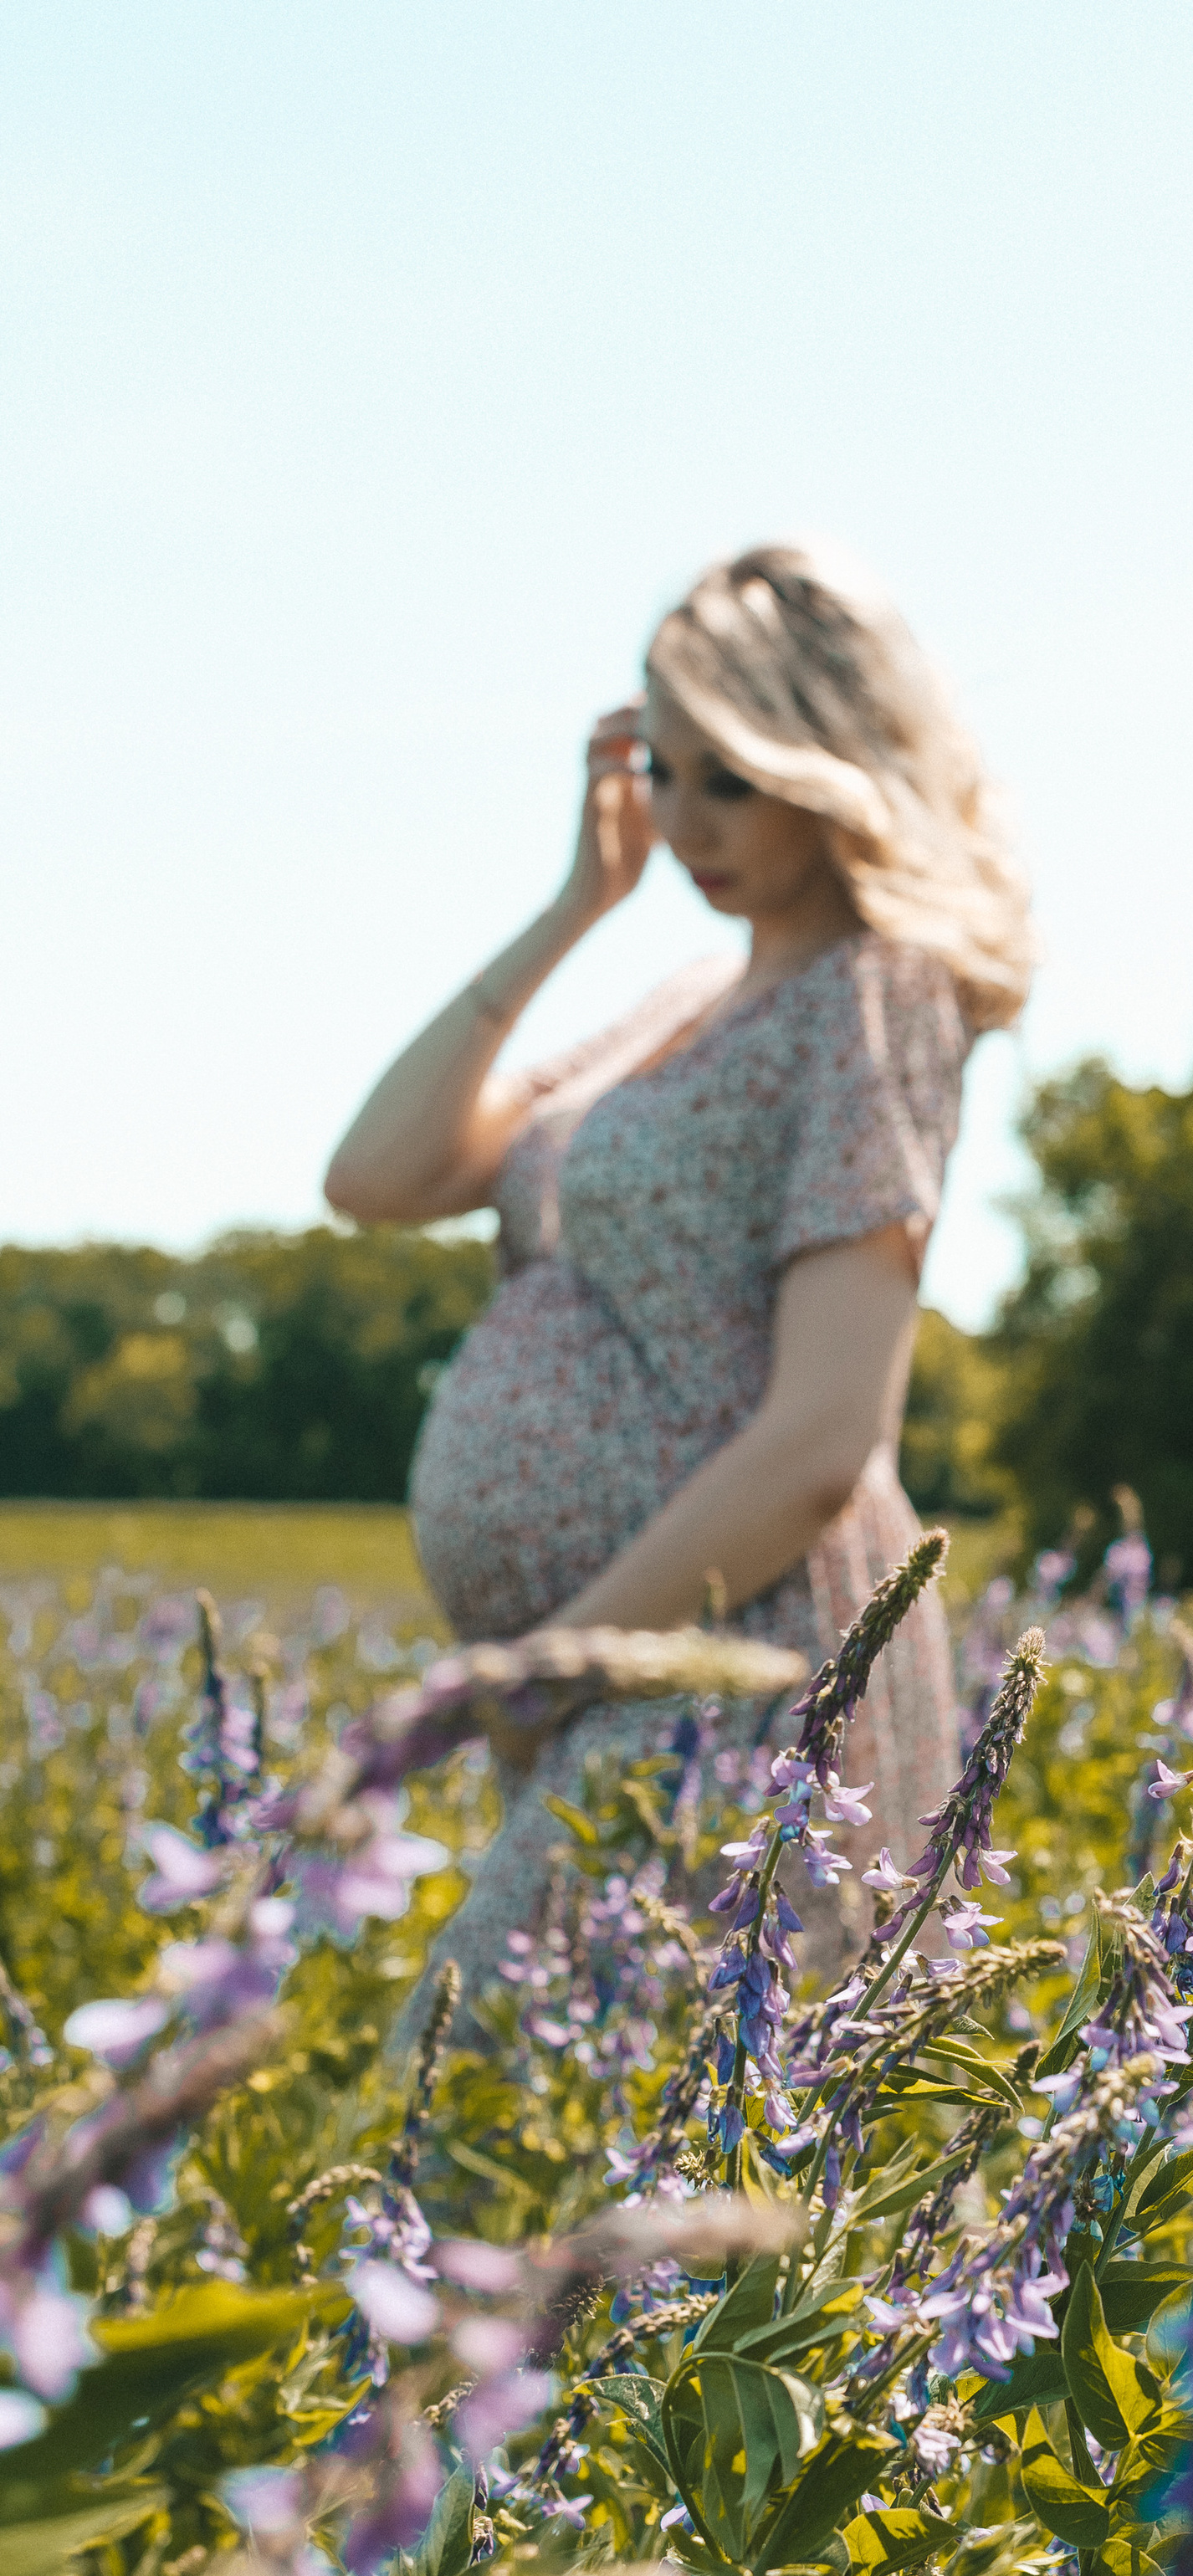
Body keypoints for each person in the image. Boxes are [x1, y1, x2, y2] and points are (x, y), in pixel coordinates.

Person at [324, 541, 1032, 2026]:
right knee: (518, 2150)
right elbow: (377, 1175)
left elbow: (827, 1435)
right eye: (664, 764)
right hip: (625, 1677)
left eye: (732, 778)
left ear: (833, 769)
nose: (684, 816)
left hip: (751, 1670)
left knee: (472, 2125)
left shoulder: (873, 991)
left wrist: (549, 1664)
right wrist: (578, 902)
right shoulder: (681, 1001)